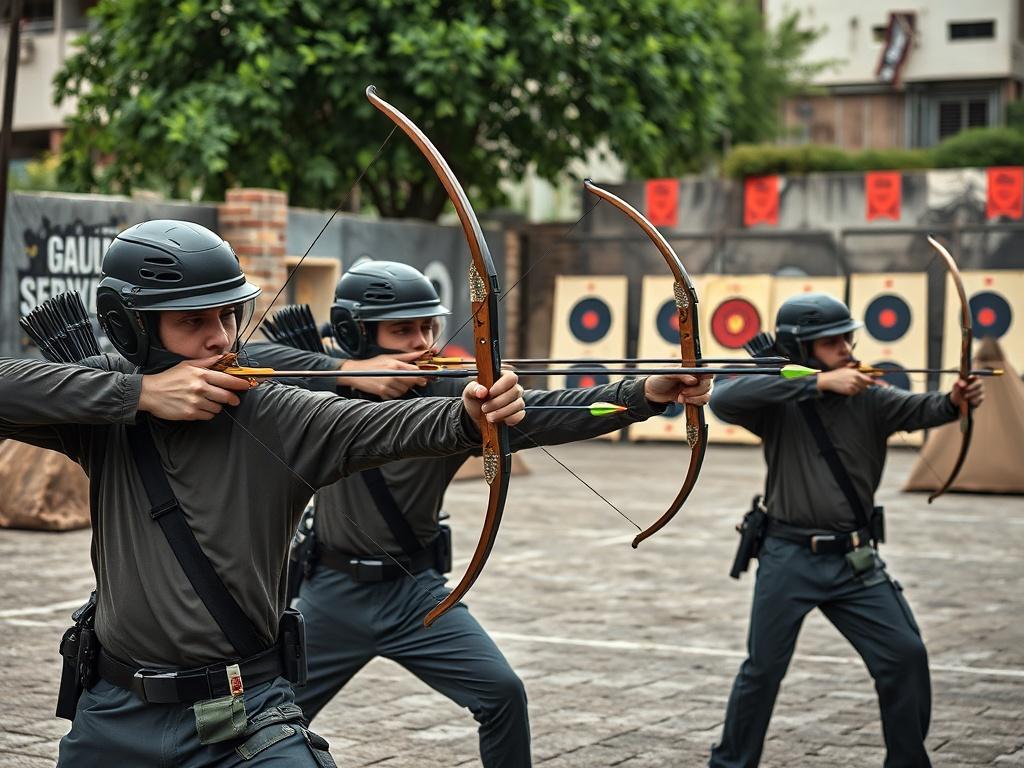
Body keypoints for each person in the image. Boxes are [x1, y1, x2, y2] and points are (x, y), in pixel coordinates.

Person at [0, 220, 528, 767]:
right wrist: (140, 393)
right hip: (111, 714)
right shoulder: (106, 406)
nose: (222, 338)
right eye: (193, 321)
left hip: (243, 713)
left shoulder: (274, 413)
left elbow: (379, 426)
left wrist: (468, 418)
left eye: (229, 314)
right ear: (133, 328)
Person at [247, 259, 713, 768]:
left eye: (428, 326)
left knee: (503, 694)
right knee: (262, 722)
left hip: (414, 593)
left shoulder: (457, 396)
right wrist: (346, 372)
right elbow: (243, 355)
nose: (421, 342)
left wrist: (644, 393)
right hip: (332, 594)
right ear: (354, 335)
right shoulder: (312, 395)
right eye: (402, 330)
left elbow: (549, 410)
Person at [706, 293, 984, 768]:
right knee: (763, 671)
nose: (846, 347)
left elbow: (923, 409)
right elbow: (725, 397)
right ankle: (731, 764)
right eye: (830, 341)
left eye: (846, 337)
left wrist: (954, 401)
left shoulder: (869, 397)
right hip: (788, 554)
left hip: (853, 561)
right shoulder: (781, 399)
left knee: (905, 655)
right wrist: (817, 384)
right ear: (801, 349)